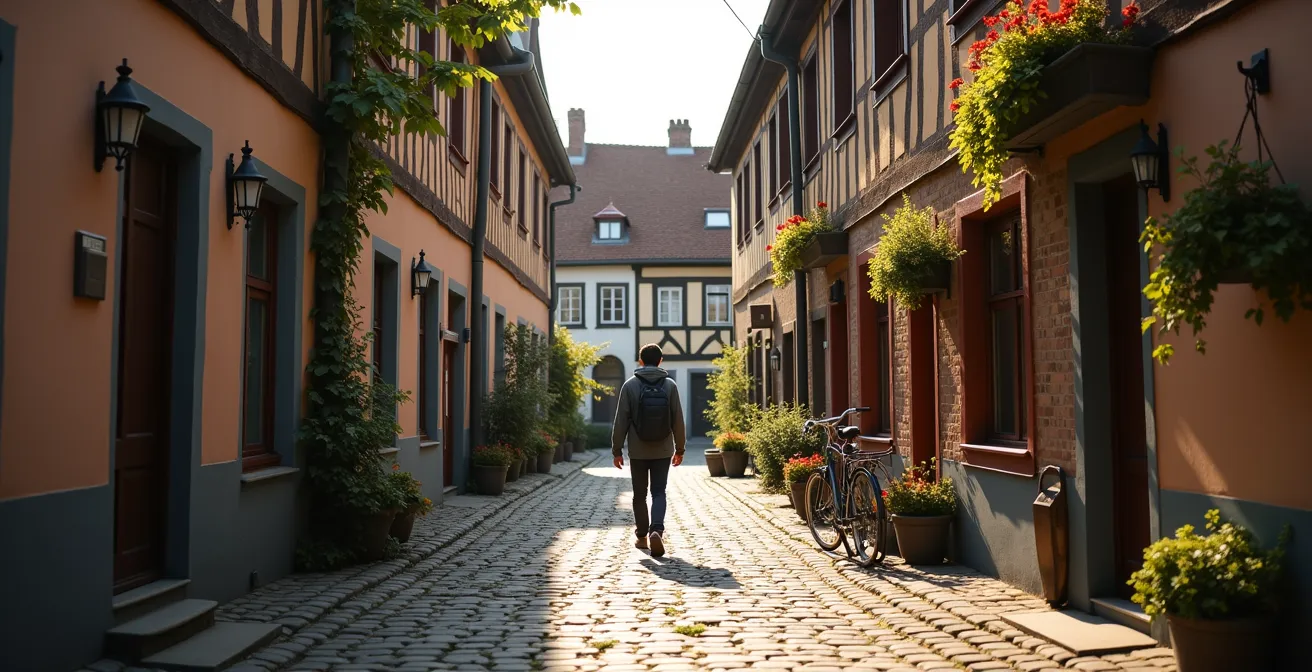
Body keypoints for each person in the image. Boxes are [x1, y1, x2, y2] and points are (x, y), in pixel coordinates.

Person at [611, 343, 686, 557]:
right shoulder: (670, 386)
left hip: (638, 449)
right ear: (661, 361)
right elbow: (678, 421)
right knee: (659, 491)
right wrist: (680, 448)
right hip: (663, 449)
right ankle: (657, 531)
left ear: (640, 361)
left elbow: (620, 421)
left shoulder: (630, 386)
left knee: (639, 494)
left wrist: (616, 450)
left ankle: (642, 536)